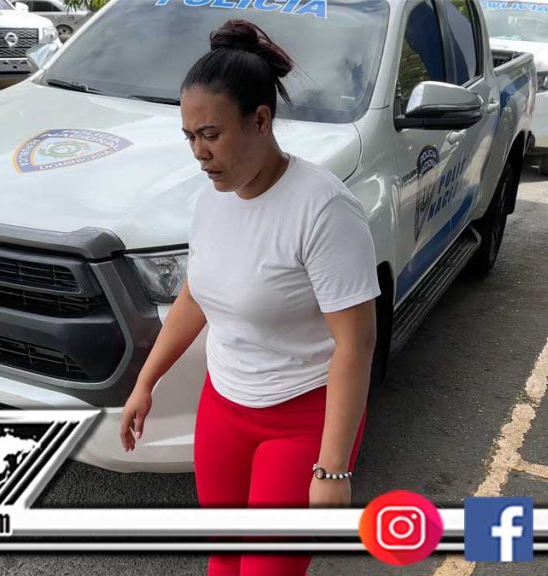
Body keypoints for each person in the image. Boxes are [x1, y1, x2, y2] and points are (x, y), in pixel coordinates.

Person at [118, 19, 381, 576]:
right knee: (223, 557)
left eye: (211, 134)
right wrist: (146, 381)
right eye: (189, 137)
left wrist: (332, 469)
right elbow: (198, 293)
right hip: (225, 406)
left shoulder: (323, 209)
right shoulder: (215, 196)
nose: (199, 152)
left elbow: (356, 344)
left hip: (302, 417)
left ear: (261, 120)